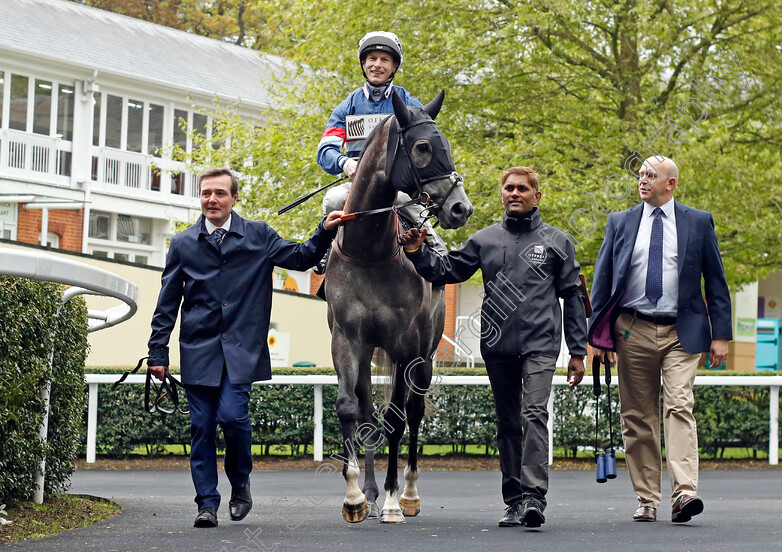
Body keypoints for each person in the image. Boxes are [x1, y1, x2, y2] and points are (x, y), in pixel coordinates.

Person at [147, 167, 344, 528]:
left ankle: (240, 484)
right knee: (202, 426)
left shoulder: (258, 235)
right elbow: (167, 302)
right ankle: (206, 503)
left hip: (242, 350)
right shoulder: (183, 244)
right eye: (206, 193)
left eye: (220, 193)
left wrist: (324, 230)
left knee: (232, 417)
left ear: (234, 198)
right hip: (198, 350)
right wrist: (158, 352)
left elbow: (300, 258)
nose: (212, 200)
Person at [399, 166, 588, 528]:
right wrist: (416, 252)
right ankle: (513, 501)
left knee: (534, 414)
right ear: (501, 194)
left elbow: (573, 298)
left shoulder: (557, 241)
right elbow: (446, 272)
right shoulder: (484, 240)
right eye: (509, 188)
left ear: (537, 195)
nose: (514, 193)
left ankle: (534, 497)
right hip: (497, 346)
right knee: (507, 424)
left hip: (541, 344)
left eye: (522, 188)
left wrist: (577, 352)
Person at [588, 156, 732, 524]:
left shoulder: (698, 222)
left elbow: (715, 282)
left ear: (671, 183)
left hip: (682, 331)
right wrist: (597, 337)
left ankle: (684, 493)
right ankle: (648, 498)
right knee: (637, 415)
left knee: (679, 405)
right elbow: (602, 283)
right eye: (640, 175)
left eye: (651, 176)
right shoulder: (619, 222)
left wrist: (722, 336)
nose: (643, 181)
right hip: (631, 329)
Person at [314, 30, 445, 274]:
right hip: (357, 185)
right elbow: (325, 150)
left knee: (407, 201)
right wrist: (345, 163)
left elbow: (426, 145)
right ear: (363, 64)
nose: (377, 65)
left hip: (398, 186)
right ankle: (324, 250)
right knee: (333, 199)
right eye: (372, 58)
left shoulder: (409, 103)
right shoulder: (347, 107)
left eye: (385, 60)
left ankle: (436, 247)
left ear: (394, 66)